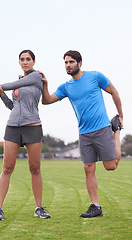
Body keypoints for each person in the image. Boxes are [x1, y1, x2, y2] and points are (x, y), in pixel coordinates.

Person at [41, 50, 123, 218]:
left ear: (79, 63)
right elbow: (46, 100)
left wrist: (120, 115)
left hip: (102, 128)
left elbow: (114, 92)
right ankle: (96, 206)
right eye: (65, 62)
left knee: (111, 166)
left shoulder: (95, 76)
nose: (68, 65)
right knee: (88, 168)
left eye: (71, 62)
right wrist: (45, 84)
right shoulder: (66, 87)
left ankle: (117, 133)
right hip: (84, 133)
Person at [0, 50, 51, 220]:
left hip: (32, 126)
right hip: (13, 127)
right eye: (22, 60)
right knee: (7, 168)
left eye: (28, 59)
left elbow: (9, 85)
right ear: (19, 62)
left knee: (35, 168)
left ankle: (39, 207)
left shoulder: (36, 77)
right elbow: (13, 106)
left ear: (33, 61)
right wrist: (1, 94)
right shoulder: (19, 82)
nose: (25, 62)